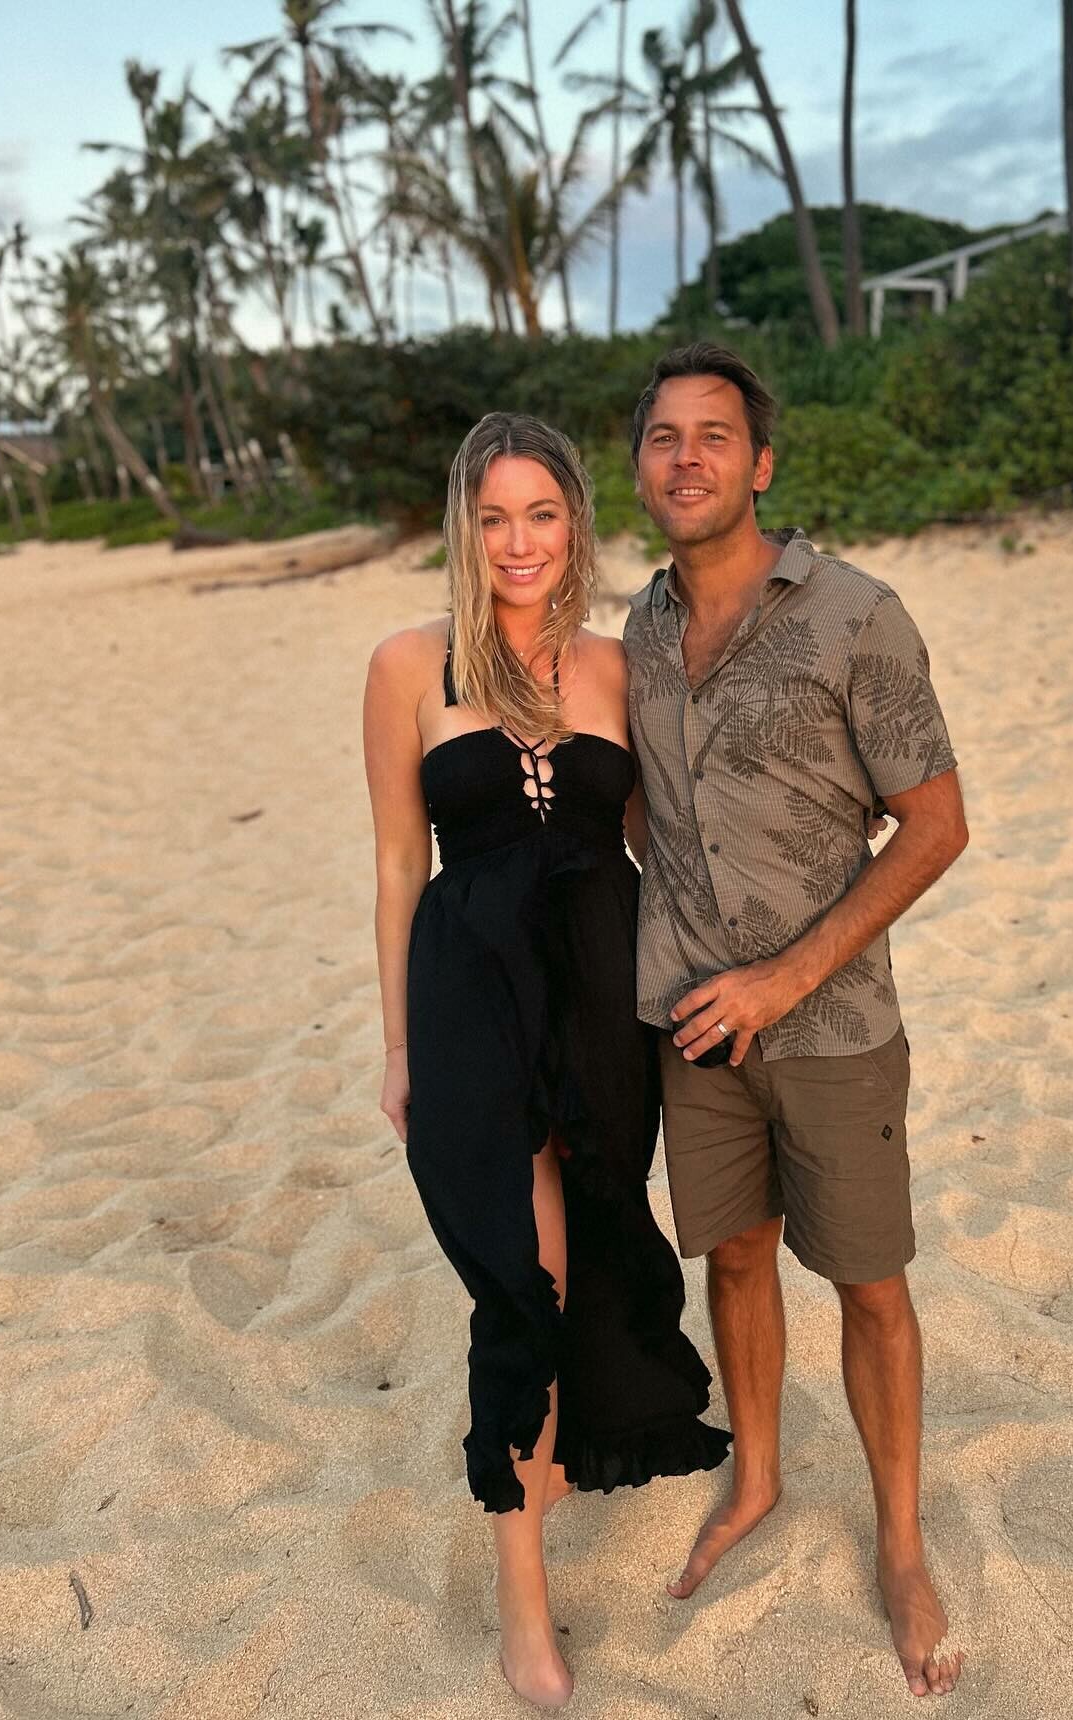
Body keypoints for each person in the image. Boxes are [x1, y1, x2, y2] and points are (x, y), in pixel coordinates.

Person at [363, 412, 730, 1710]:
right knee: (522, 1278)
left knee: (597, 1237)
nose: (518, 542)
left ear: (576, 522)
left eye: (542, 514)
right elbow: (399, 864)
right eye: (493, 518)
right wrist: (397, 1043)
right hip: (469, 1000)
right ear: (463, 528)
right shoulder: (407, 665)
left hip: (601, 1000)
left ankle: (560, 1454)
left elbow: (663, 845)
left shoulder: (620, 665)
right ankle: (523, 1597)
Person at [621, 344, 970, 1699]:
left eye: (715, 436)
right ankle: (759, 1475)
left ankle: (901, 1542)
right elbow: (643, 806)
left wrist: (785, 974)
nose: (688, 457)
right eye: (664, 437)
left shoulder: (855, 614)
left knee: (871, 1285)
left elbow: (935, 824)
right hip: (695, 1024)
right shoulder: (639, 630)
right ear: (640, 468)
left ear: (760, 464)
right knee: (736, 1256)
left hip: (834, 1029)